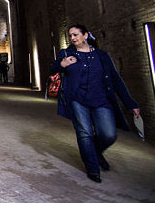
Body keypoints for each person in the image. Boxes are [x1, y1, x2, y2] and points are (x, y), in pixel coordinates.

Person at [50, 24, 140, 183]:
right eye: (70, 36)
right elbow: (52, 69)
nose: (72, 38)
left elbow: (116, 80)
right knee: (85, 133)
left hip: (101, 99)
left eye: (76, 34)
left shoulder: (102, 56)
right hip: (77, 99)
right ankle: (93, 169)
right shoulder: (66, 53)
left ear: (85, 35)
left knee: (109, 134)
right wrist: (62, 64)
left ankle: (96, 152)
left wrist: (130, 103)